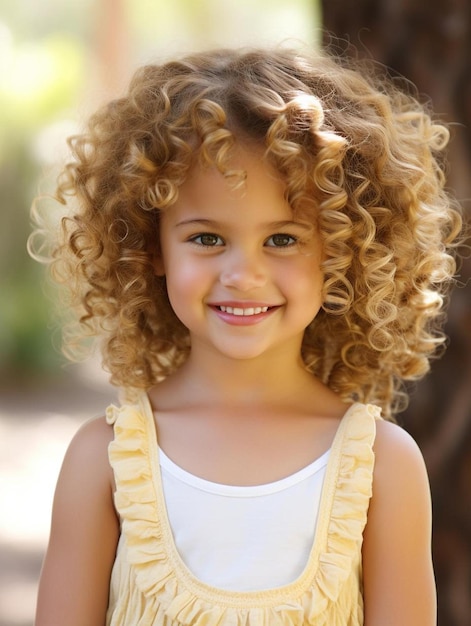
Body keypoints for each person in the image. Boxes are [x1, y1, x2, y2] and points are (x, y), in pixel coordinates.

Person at [29, 44, 462, 626]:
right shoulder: (103, 461)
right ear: (150, 247)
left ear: (339, 250)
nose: (243, 275)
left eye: (282, 239)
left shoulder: (383, 466)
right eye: (207, 238)